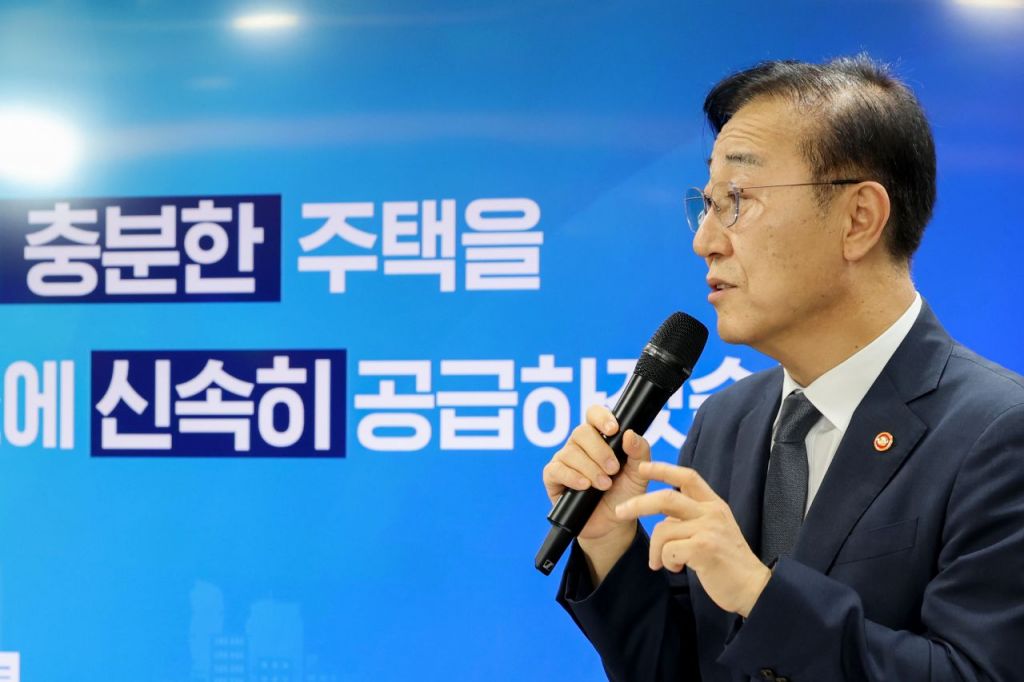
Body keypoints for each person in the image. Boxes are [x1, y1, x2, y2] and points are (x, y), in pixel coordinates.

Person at [542, 55, 1024, 681]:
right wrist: (609, 543)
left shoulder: (999, 433)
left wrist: (761, 596)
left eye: (738, 200)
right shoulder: (727, 422)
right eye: (707, 203)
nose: (705, 241)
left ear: (859, 219)